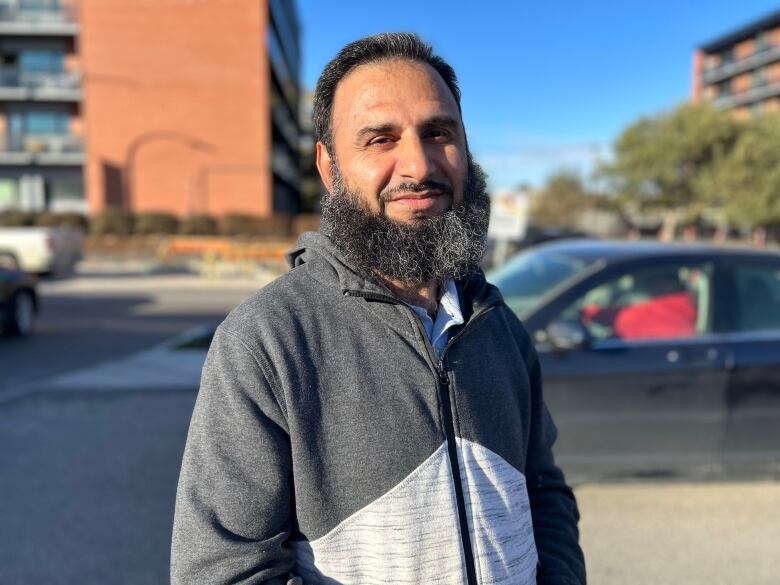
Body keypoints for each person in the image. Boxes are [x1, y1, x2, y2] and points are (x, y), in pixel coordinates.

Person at [171, 33, 585, 585]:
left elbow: (543, 490)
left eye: (439, 132)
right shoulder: (266, 341)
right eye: (380, 139)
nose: (418, 164)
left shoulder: (498, 325)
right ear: (329, 165)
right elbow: (223, 572)